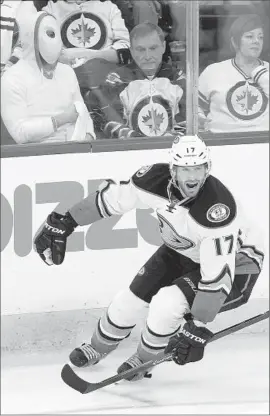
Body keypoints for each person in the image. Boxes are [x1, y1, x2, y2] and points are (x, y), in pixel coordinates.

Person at [34, 134, 264, 380]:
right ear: (173, 170)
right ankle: (98, 347)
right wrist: (66, 221)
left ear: (207, 169)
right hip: (185, 249)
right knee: (130, 300)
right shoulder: (153, 180)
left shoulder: (216, 211)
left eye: (198, 168)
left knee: (167, 304)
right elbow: (113, 199)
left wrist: (197, 326)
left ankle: (144, 360)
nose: (194, 176)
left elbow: (217, 277)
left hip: (237, 266)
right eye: (186, 169)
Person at [1, 11, 95, 144]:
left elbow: (82, 112)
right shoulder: (12, 79)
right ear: (30, 39)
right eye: (50, 34)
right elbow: (19, 133)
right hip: (38, 154)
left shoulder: (67, 72)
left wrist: (89, 137)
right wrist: (58, 120)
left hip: (77, 150)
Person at [91, 22, 186, 138]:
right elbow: (106, 121)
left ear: (163, 47)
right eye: (140, 49)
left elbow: (191, 122)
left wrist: (169, 139)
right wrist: (135, 139)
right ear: (131, 50)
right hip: (131, 150)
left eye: (153, 48)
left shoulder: (178, 79)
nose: (147, 56)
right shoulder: (117, 80)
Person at [198, 14, 269, 133]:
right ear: (235, 42)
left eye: (260, 37)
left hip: (264, 144)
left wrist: (260, 74)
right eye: (249, 36)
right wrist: (202, 124)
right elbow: (195, 107)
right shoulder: (214, 71)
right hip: (222, 143)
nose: (256, 41)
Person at [42, 0, 131, 89]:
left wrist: (91, 55)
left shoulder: (110, 8)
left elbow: (126, 52)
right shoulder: (51, 9)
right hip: (62, 79)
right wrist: (59, 58)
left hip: (105, 79)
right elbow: (41, 47)